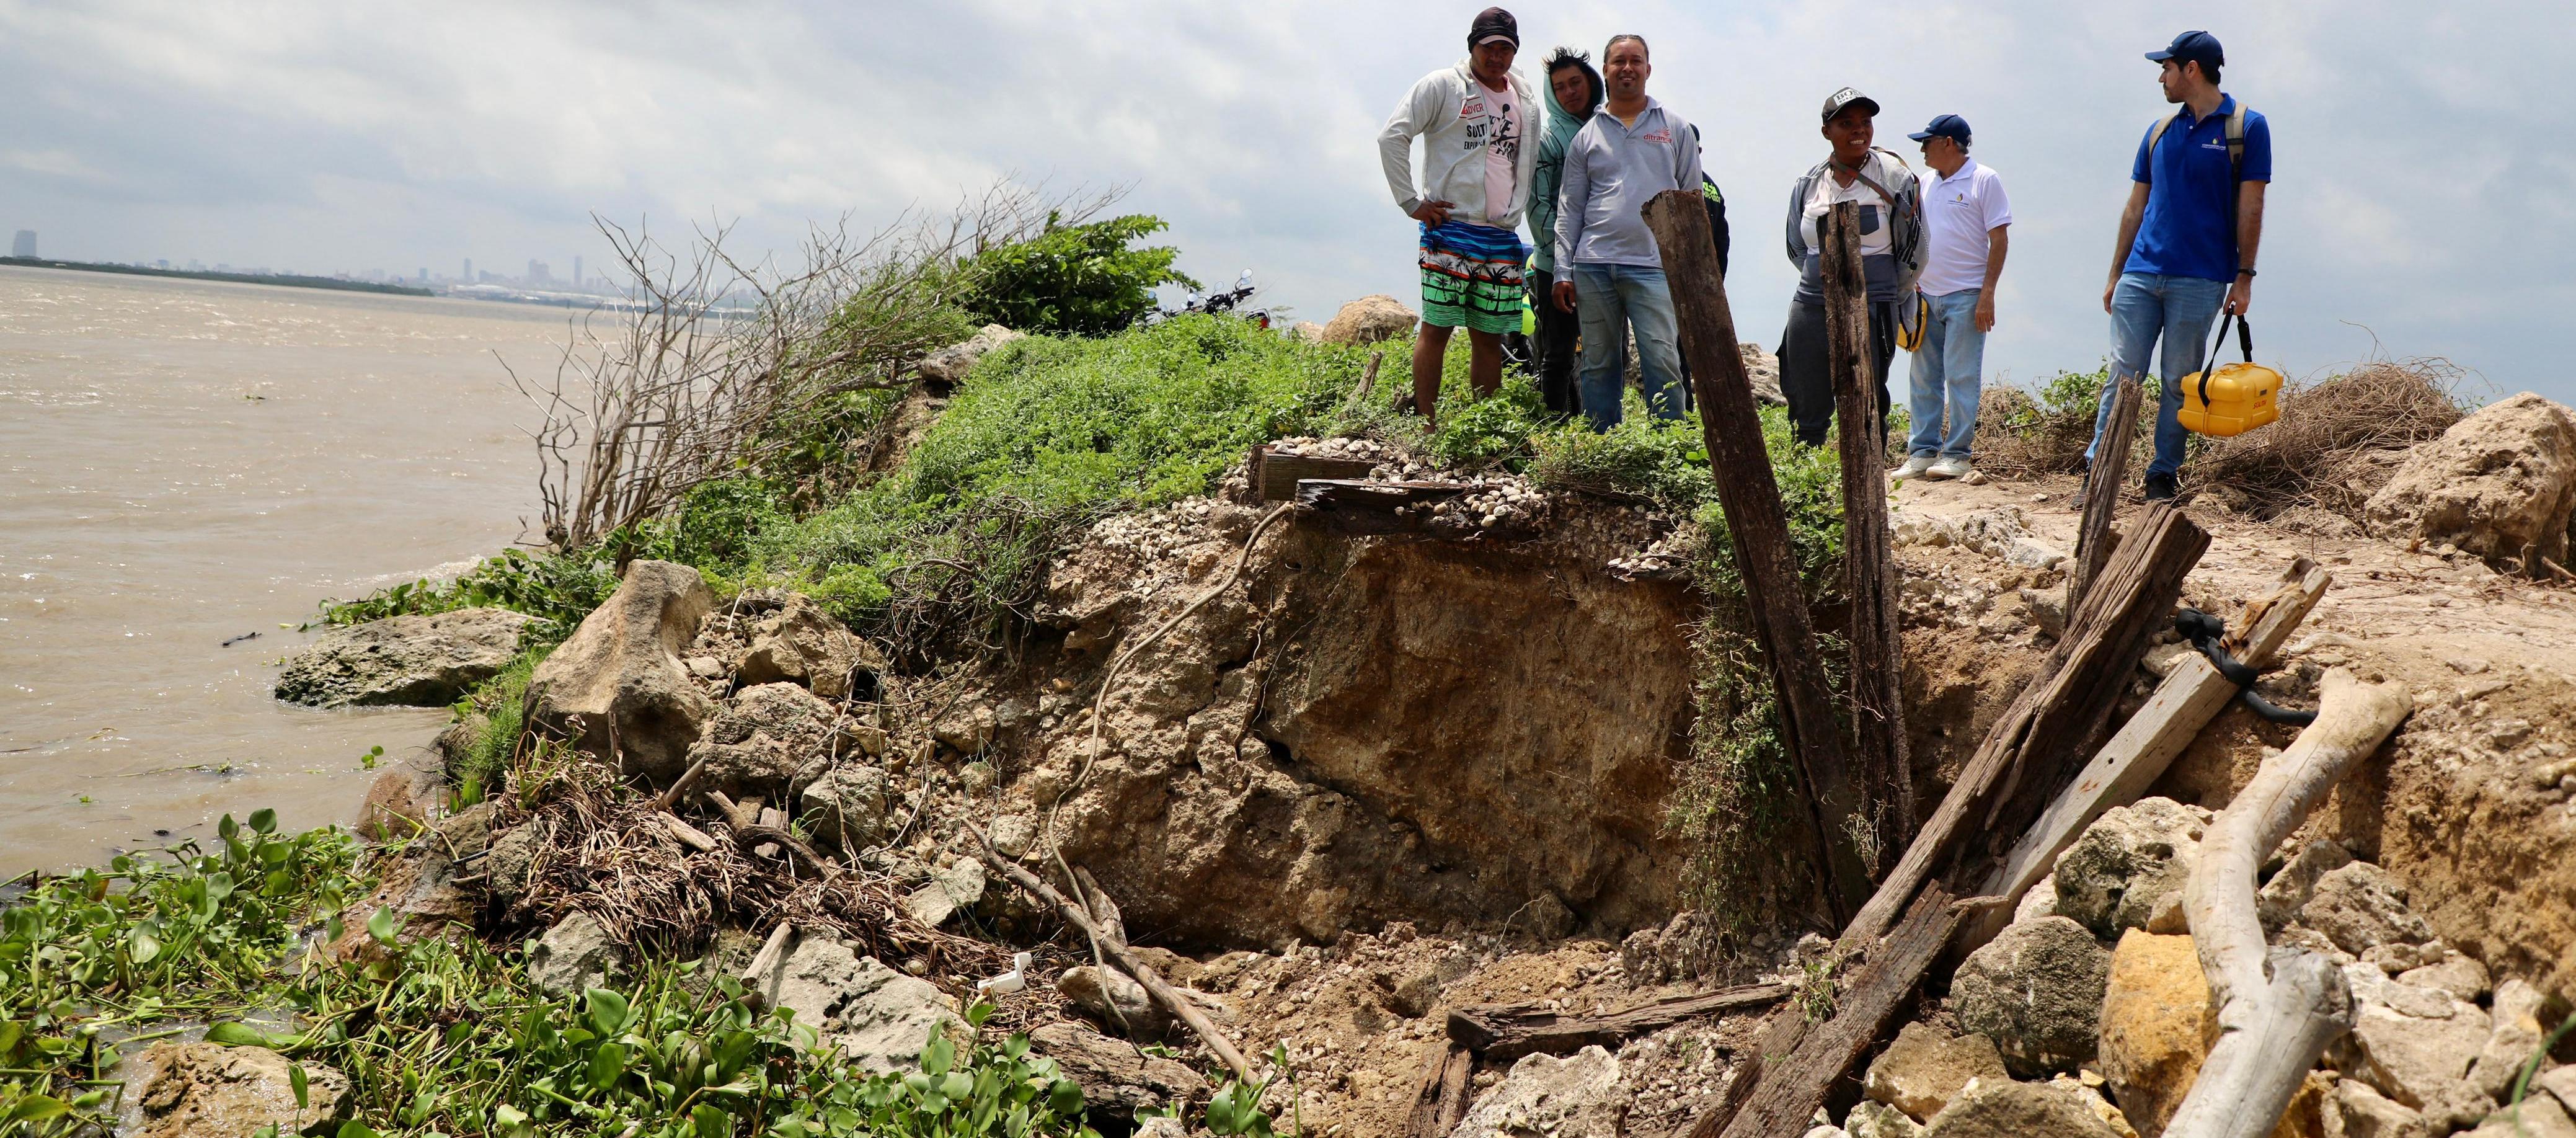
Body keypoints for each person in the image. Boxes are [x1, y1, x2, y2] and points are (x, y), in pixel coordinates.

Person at [2084, 29, 2270, 503]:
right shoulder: (2158, 131)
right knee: (2122, 374)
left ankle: (2161, 475)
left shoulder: (2247, 126)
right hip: (2140, 274)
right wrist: (2114, 274)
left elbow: (2251, 206)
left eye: (2165, 68)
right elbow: (2134, 208)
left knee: (2177, 381)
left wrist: (2243, 277)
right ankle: (2096, 470)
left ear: (2191, 69)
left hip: (2201, 277)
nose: (2161, 78)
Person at [1378, 7, 1543, 425]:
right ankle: (1428, 424)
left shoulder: (1524, 97)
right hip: (1449, 227)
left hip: (1501, 233)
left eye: (1506, 48)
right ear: (1473, 46)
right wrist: (1411, 202)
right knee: (1437, 329)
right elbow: (1392, 135)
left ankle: (1482, 429)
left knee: (1489, 336)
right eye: (1489, 47)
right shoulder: (1443, 86)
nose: (1497, 57)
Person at [1550, 33, 1702, 431]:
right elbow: (1570, 207)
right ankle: (1603, 446)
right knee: (1599, 363)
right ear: (1606, 71)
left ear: (1648, 70)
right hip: (1593, 264)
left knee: (1662, 358)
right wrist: (1563, 271)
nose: (1627, 69)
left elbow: (1692, 202)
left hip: (1653, 265)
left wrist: (1688, 269)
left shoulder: (1675, 128)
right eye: (1619, 62)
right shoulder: (1588, 136)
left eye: (1636, 61)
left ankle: (1669, 450)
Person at [1780, 87, 1923, 450]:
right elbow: (1797, 247)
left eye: (1865, 122)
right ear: (1827, 131)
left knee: (1868, 397)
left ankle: (1871, 488)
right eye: (1846, 123)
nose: (1859, 130)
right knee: (1804, 395)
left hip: (1874, 302)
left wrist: (1890, 292)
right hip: (1811, 302)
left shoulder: (1895, 179)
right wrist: (1823, 280)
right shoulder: (1809, 182)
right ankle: (1810, 485)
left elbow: (1915, 251)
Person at [1894, 114, 2011, 481]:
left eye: (1927, 141)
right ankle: (1922, 453)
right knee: (1924, 376)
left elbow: (2000, 238)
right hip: (1926, 295)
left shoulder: (1984, 179)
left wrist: (1987, 294)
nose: (1922, 149)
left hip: (1967, 296)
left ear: (1948, 142)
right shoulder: (1926, 183)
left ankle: (1958, 455)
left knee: (1961, 376)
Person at [1525, 47, 1603, 420]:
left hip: (1605, 261)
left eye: (1576, 82)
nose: (1570, 92)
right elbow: (1537, 205)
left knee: (1606, 352)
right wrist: (1562, 258)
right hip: (1553, 265)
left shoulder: (1610, 129)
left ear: (1591, 81)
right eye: (1559, 87)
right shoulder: (1547, 140)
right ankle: (1553, 427)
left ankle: (1602, 429)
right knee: (1557, 352)